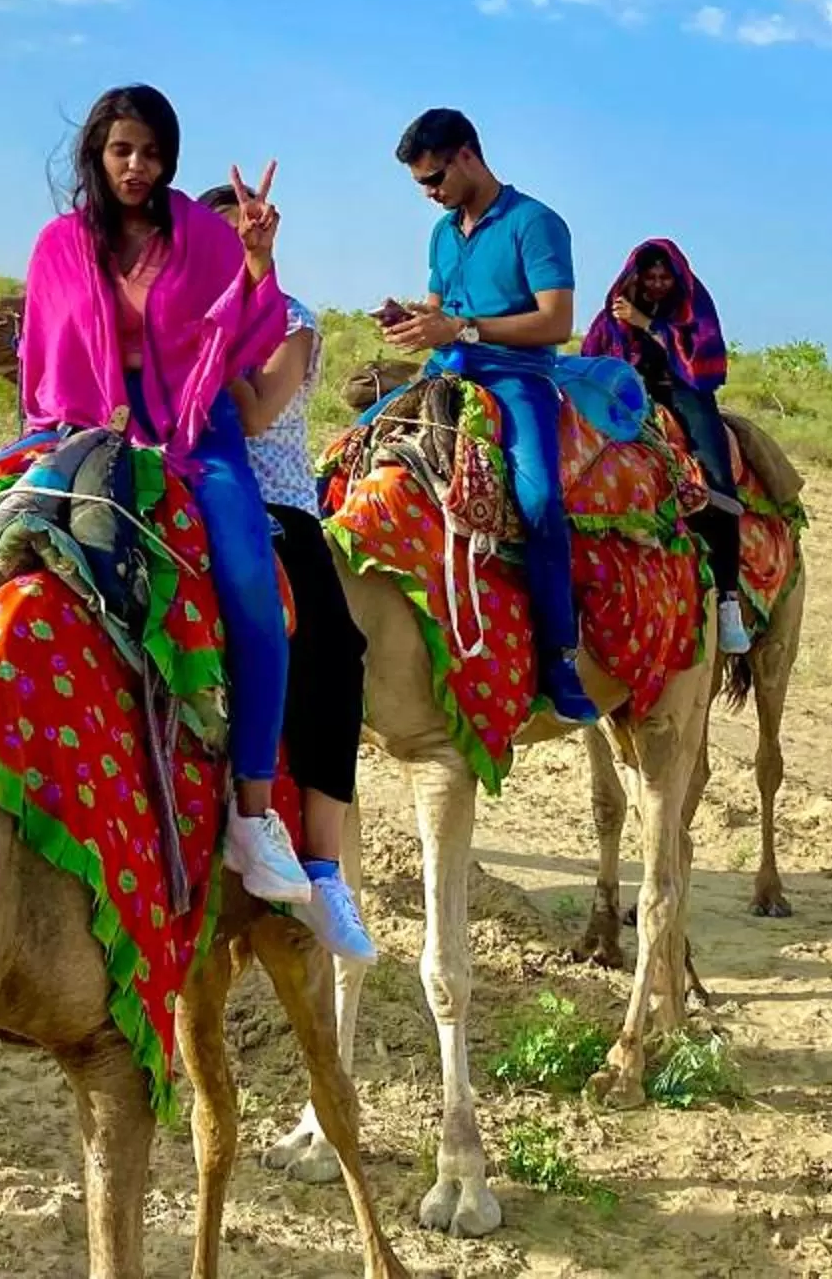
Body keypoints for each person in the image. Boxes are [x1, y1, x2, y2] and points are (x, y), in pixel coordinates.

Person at [0, 86, 321, 920]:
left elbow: (250, 334)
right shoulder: (59, 244)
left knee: (251, 588)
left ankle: (252, 814)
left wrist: (260, 261)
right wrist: (80, 428)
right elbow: (45, 366)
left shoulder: (201, 235)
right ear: (98, 152)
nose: (138, 168)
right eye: (123, 150)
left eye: (154, 153)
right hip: (82, 421)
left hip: (197, 425)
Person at [376, 106, 631, 726]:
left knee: (539, 500)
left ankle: (559, 654)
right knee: (354, 451)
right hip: (446, 372)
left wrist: (462, 325)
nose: (430, 194)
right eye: (421, 185)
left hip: (519, 378)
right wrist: (413, 321)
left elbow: (557, 321)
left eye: (434, 179)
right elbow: (439, 309)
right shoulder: (442, 233)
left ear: (467, 155)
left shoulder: (536, 224)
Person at [198, 178, 376, 963]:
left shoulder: (291, 320)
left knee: (334, 652)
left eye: (247, 234)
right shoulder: (171, 314)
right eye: (219, 237)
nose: (235, 245)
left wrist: (206, 337)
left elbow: (258, 412)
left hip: (272, 504)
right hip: (178, 483)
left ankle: (325, 864)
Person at [585, 239, 752, 656]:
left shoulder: (693, 308)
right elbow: (594, 360)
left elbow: (701, 363)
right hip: (630, 399)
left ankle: (729, 599)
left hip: (686, 393)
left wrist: (648, 325)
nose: (658, 284)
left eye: (664, 277)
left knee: (718, 485)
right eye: (650, 277)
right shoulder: (614, 311)